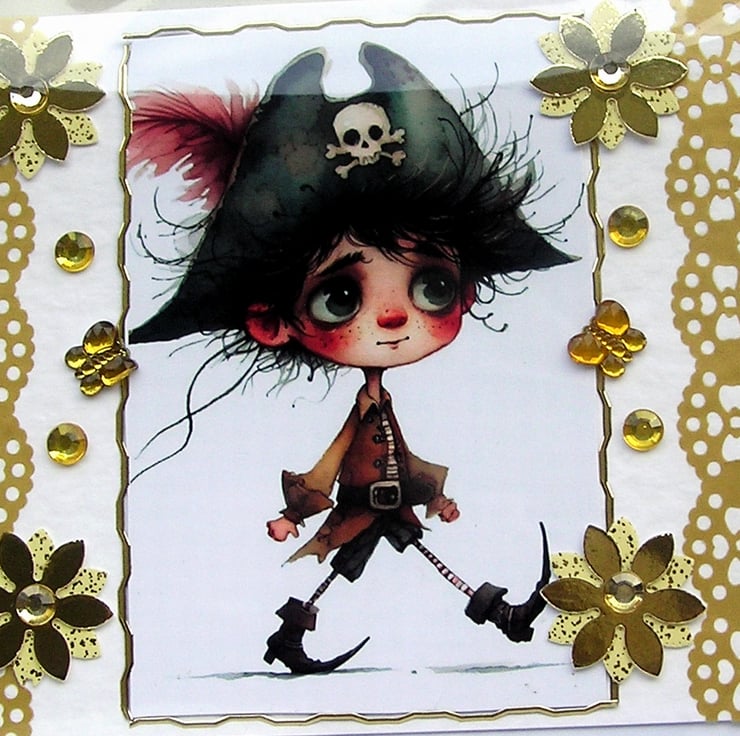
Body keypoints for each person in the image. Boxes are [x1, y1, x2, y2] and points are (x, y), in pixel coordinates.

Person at [130, 43, 573, 675]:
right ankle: (294, 636)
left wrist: (434, 496)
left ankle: (495, 615)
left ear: (467, 290)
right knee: (345, 568)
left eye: (432, 287)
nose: (392, 318)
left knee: (396, 563)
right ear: (272, 322)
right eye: (340, 298)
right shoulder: (367, 405)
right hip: (363, 506)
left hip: (391, 503)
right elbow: (337, 456)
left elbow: (399, 450)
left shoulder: (379, 400)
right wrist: (294, 513)